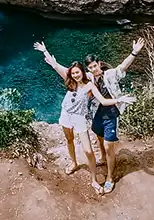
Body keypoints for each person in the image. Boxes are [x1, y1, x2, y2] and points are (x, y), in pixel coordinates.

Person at [35, 37, 145, 194]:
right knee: (100, 140)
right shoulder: (88, 78)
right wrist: (47, 54)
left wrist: (134, 52)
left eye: (95, 66)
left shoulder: (110, 74)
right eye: (90, 67)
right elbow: (66, 71)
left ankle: (109, 178)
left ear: (99, 64)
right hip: (96, 115)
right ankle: (102, 159)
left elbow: (122, 67)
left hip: (111, 113)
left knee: (108, 146)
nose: (93, 69)